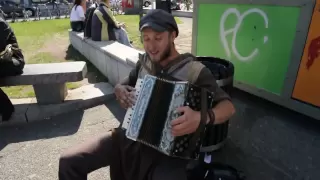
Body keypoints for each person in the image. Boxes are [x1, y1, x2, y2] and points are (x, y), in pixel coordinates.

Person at [58, 9, 235, 180]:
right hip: (129, 137)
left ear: (173, 36)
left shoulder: (194, 71)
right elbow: (125, 83)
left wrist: (200, 117)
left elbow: (228, 107)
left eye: (158, 38)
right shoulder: (144, 62)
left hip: (168, 152)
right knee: (69, 162)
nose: (151, 46)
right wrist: (119, 89)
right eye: (146, 39)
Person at [0, 16, 25, 121]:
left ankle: (6, 107)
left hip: (13, 61)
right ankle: (5, 107)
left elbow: (0, 46)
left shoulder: (0, 24)